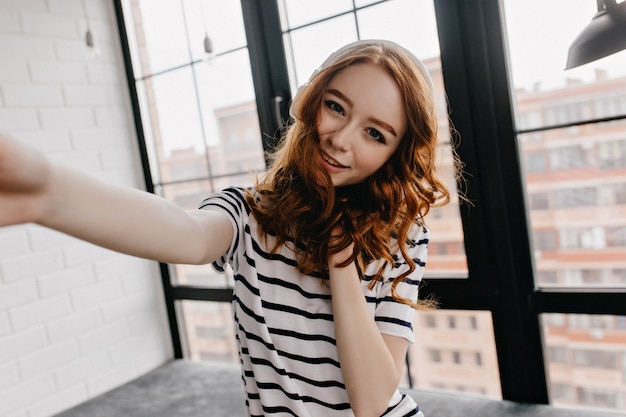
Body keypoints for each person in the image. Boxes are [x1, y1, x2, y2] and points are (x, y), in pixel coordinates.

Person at [0, 39, 452, 417]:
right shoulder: (251, 212)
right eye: (335, 107)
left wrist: (340, 253)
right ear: (307, 100)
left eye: (376, 134)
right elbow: (188, 234)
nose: (341, 137)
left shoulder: (401, 238)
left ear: (396, 153)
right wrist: (48, 192)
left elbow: (373, 401)